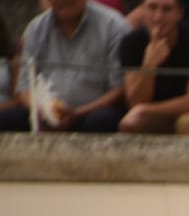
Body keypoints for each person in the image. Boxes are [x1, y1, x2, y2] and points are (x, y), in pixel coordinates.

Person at [0, 0, 129, 132]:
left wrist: (77, 112)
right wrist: (41, 111)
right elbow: (25, 86)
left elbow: (120, 88)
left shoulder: (113, 25)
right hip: (45, 111)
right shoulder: (35, 29)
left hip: (92, 111)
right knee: (6, 119)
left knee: (101, 119)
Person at [118, 0, 189, 134]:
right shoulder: (131, 43)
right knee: (131, 123)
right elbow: (135, 102)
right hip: (156, 110)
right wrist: (149, 66)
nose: (158, 17)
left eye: (166, 10)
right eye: (152, 8)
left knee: (188, 122)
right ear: (142, 10)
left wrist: (145, 109)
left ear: (179, 14)